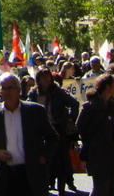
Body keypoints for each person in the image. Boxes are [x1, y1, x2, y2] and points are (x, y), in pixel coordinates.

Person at [0, 73, 58, 196]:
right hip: (6, 175)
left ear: (18, 89)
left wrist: (44, 157)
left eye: (10, 88)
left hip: (31, 173)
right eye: (3, 88)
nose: (7, 92)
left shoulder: (35, 111)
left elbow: (53, 137)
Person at [26, 68, 78, 196]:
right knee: (43, 161)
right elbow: (27, 107)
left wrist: (68, 119)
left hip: (57, 129)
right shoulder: (34, 93)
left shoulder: (57, 91)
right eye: (43, 77)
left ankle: (62, 190)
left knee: (61, 162)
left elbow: (74, 104)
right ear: (38, 79)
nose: (46, 80)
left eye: (48, 77)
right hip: (40, 131)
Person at [76, 73, 114, 196]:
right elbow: (80, 126)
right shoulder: (90, 107)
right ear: (107, 87)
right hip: (98, 156)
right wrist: (92, 142)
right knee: (101, 189)